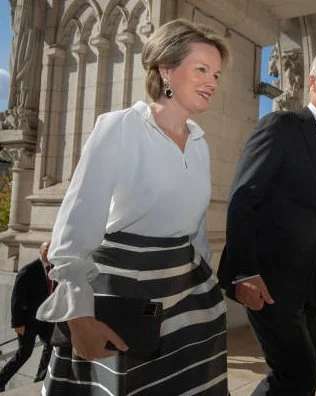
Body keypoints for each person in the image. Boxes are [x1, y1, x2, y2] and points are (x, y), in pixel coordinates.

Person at [34, 19, 230, 395]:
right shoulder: (119, 127)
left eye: (217, 75)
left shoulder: (201, 143)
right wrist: (78, 319)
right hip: (122, 299)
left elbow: (196, 231)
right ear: (166, 69)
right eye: (202, 69)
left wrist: (209, 289)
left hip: (188, 305)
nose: (212, 82)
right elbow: (73, 230)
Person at [217, 46, 316, 395]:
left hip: (312, 290)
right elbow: (243, 198)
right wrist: (245, 271)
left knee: (299, 383)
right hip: (268, 283)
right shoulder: (281, 126)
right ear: (313, 82)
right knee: (298, 377)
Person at [0, 241, 53, 392]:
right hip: (28, 321)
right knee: (24, 354)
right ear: (40, 251)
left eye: (51, 249)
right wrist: (18, 323)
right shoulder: (28, 270)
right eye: (46, 249)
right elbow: (16, 299)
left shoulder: (54, 270)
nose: (49, 252)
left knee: (51, 346)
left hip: (45, 319)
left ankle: (39, 379)